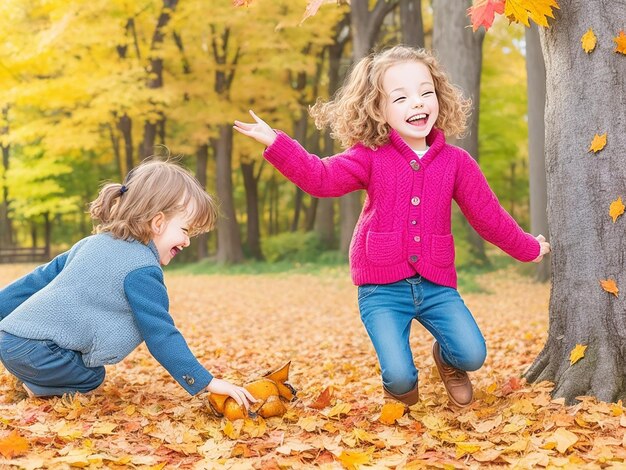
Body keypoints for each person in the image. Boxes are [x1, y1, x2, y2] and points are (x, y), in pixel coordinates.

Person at [234, 45, 550, 408]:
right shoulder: (369, 156)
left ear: (439, 97)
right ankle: (401, 392)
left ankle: (448, 361)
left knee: (471, 353)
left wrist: (528, 247)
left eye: (425, 92)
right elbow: (321, 178)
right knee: (400, 377)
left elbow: (488, 215)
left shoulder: (456, 162)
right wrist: (277, 142)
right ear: (378, 109)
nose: (417, 103)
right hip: (381, 286)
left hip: (436, 282)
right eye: (400, 97)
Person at [0, 159, 256, 410]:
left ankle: (34, 375)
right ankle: (38, 386)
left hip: (9, 341)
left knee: (73, 362)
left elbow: (35, 281)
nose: (187, 242)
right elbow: (160, 332)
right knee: (92, 376)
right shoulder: (142, 270)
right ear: (158, 222)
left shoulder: (91, 243)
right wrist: (205, 381)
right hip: (42, 353)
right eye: (186, 231)